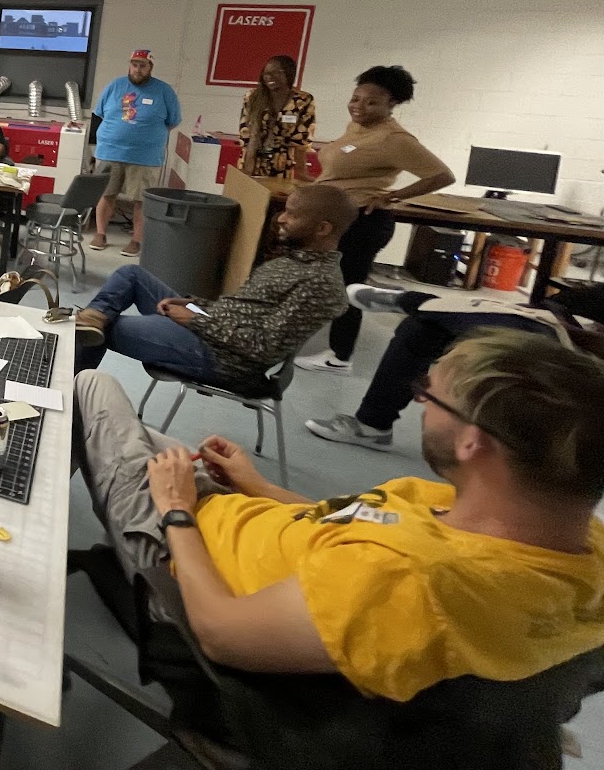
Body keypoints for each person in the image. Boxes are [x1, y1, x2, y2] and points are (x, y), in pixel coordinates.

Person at [74, 328, 604, 702]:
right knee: (135, 430)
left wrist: (176, 511)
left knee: (91, 388)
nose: (420, 404)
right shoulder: (573, 541)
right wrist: (261, 488)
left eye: (429, 396)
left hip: (181, 557)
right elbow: (362, 525)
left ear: (473, 442)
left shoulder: (407, 581)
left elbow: (219, 631)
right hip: (237, 518)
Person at [75, 184, 355, 391]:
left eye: (293, 215)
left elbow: (265, 347)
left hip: (222, 357)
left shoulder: (320, 284)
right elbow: (240, 308)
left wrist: (197, 321)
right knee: (131, 274)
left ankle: (66, 398)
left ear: (323, 229)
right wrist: (195, 304)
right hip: (209, 324)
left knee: (101, 330)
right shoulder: (293, 261)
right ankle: (94, 317)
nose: (281, 219)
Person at [307, 282, 604, 449]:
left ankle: (410, 299)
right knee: (423, 328)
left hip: (574, 339)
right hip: (556, 315)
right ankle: (372, 426)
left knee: (519, 324)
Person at [296, 65, 454, 374]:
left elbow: (442, 175)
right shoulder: (358, 127)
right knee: (330, 282)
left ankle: (340, 357)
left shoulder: (394, 138)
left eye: (371, 102)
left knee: (348, 286)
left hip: (363, 222)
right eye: (356, 98)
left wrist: (393, 196)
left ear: (391, 104)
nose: (359, 107)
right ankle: (324, 344)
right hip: (338, 217)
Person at [90, 49, 182, 257]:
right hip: (110, 152)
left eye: (142, 65)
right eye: (134, 64)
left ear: (150, 68)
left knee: (140, 200)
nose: (137, 69)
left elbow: (173, 121)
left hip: (145, 157)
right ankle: (100, 234)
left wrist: (144, 136)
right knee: (106, 194)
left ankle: (135, 240)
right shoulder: (115, 86)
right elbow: (100, 113)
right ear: (129, 65)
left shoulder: (164, 91)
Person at [238, 54, 316, 180]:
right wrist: (247, 169)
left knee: (277, 197)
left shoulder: (302, 100)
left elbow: (302, 140)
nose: (270, 77)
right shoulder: (253, 96)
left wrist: (301, 172)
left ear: (289, 74)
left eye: (276, 73)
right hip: (251, 162)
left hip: (283, 166)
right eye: (266, 73)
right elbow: (247, 133)